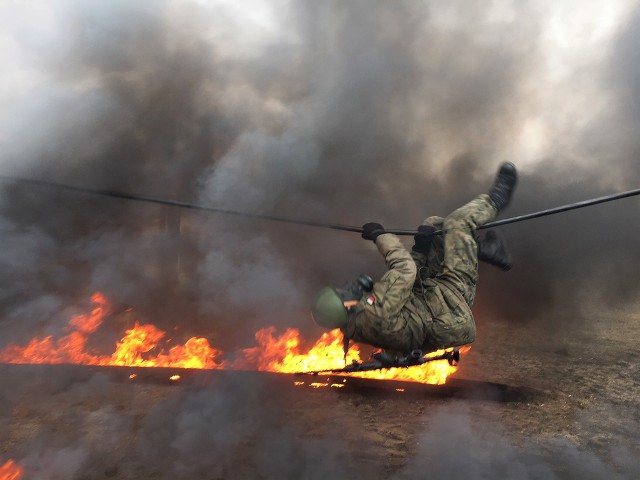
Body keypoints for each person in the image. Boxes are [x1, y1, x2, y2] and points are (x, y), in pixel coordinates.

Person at [311, 162, 517, 359]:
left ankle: (484, 249)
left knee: (434, 226)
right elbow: (405, 270)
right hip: (453, 303)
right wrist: (380, 236)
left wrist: (421, 248)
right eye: (342, 293)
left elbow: (409, 292)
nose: (347, 288)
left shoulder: (356, 320)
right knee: (458, 223)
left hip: (432, 303)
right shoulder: (374, 312)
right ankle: (496, 200)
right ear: (344, 307)